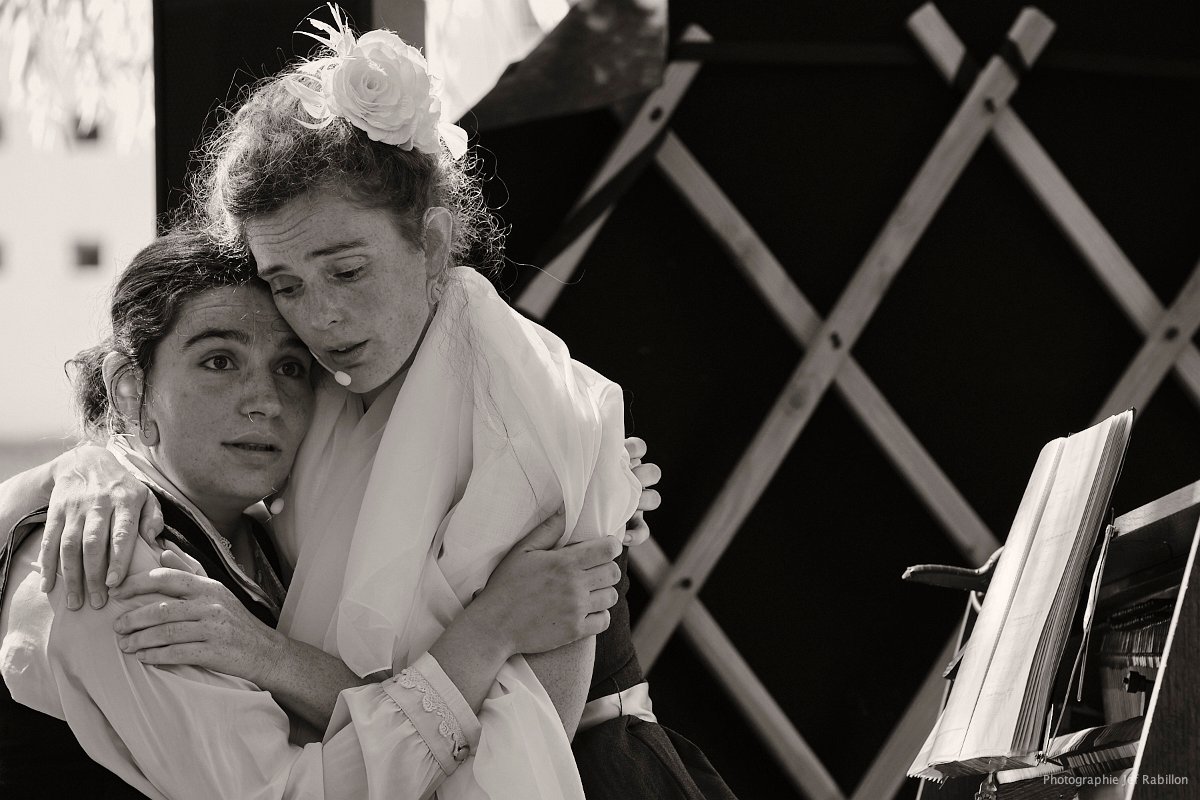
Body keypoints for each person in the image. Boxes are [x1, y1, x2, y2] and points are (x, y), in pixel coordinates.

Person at [13, 8, 734, 798]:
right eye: (287, 285)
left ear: (432, 242)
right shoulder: (327, 393)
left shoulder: (520, 411)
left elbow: (522, 750)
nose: (320, 317)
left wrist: (268, 652)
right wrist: (88, 471)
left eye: (348, 271)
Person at [0, 228, 633, 798]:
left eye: (290, 368)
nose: (265, 401)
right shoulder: (107, 561)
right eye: (219, 361)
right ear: (130, 387)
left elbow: (358, 709)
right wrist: (490, 632)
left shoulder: (269, 536)